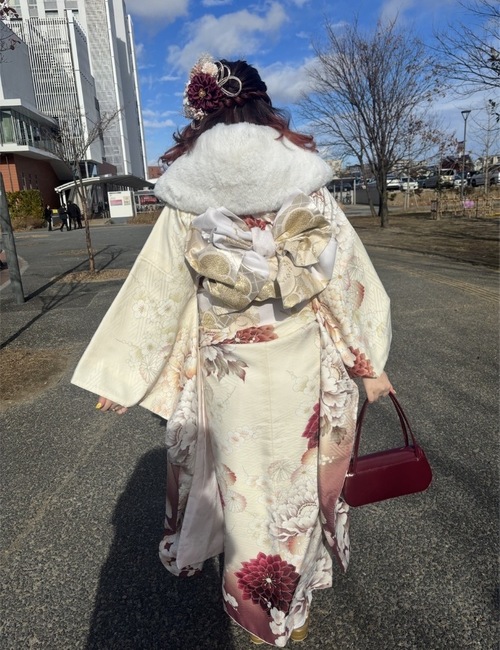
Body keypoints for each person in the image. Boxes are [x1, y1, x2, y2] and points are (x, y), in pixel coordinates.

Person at [71, 56, 393, 647]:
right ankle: (293, 607)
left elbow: (160, 291)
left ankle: (256, 612)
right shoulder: (305, 180)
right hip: (301, 366)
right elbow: (343, 283)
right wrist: (367, 363)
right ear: (265, 105)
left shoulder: (188, 189)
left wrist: (121, 377)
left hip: (229, 375)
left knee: (242, 495)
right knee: (294, 493)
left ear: (203, 116)